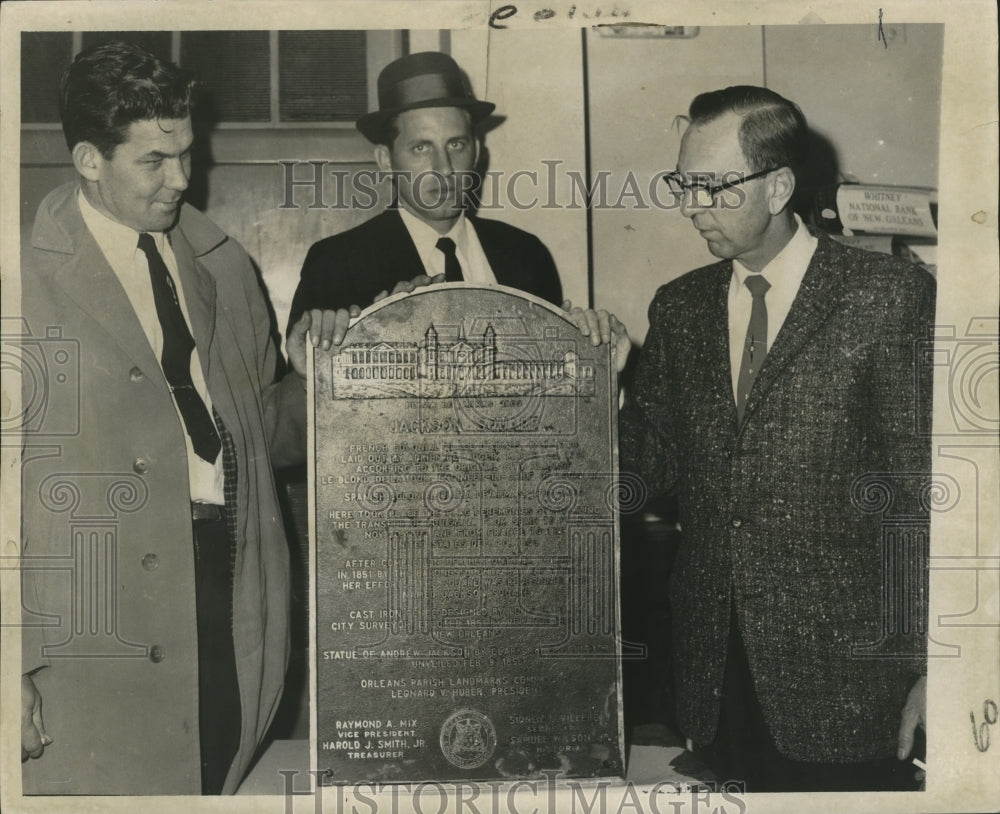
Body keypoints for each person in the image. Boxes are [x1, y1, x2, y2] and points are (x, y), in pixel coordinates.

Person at [19, 41, 348, 795]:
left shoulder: (223, 265)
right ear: (88, 159)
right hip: (92, 624)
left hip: (226, 590)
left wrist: (334, 374)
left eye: (188, 154)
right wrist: (12, 667)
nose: (182, 180)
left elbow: (262, 432)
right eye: (155, 161)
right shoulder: (22, 277)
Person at [619, 86, 933, 792]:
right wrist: (592, 384)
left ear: (779, 185)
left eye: (710, 186)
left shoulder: (887, 298)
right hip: (715, 686)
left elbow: (928, 501)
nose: (689, 205)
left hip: (852, 690)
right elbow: (639, 471)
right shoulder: (681, 306)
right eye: (682, 184)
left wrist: (936, 671)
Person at [286, 50, 563, 330]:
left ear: (476, 151)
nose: (444, 168)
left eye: (456, 144)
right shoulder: (336, 265)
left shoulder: (528, 255)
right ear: (386, 160)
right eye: (421, 148)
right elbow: (306, 370)